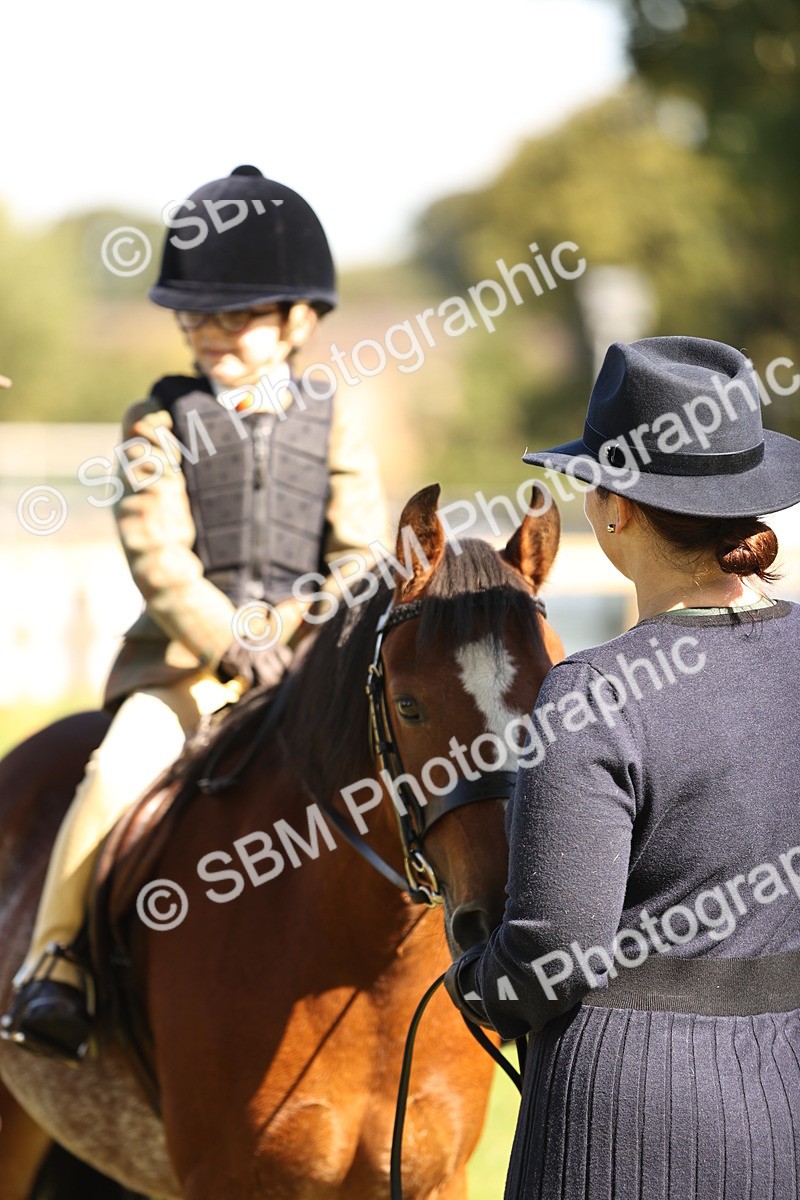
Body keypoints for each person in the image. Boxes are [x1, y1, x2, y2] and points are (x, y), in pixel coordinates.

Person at [2, 165, 389, 1062]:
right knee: (110, 777)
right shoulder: (158, 423)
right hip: (184, 669)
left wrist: (301, 633)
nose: (210, 333)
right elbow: (159, 559)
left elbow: (360, 555)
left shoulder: (336, 419)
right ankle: (56, 964)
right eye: (196, 316)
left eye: (235, 315)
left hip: (308, 662)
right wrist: (233, 639)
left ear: (298, 319)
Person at [445, 336, 800, 1199]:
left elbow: (555, 953)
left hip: (629, 1124)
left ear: (615, 511)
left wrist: (472, 980)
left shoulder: (595, 695)